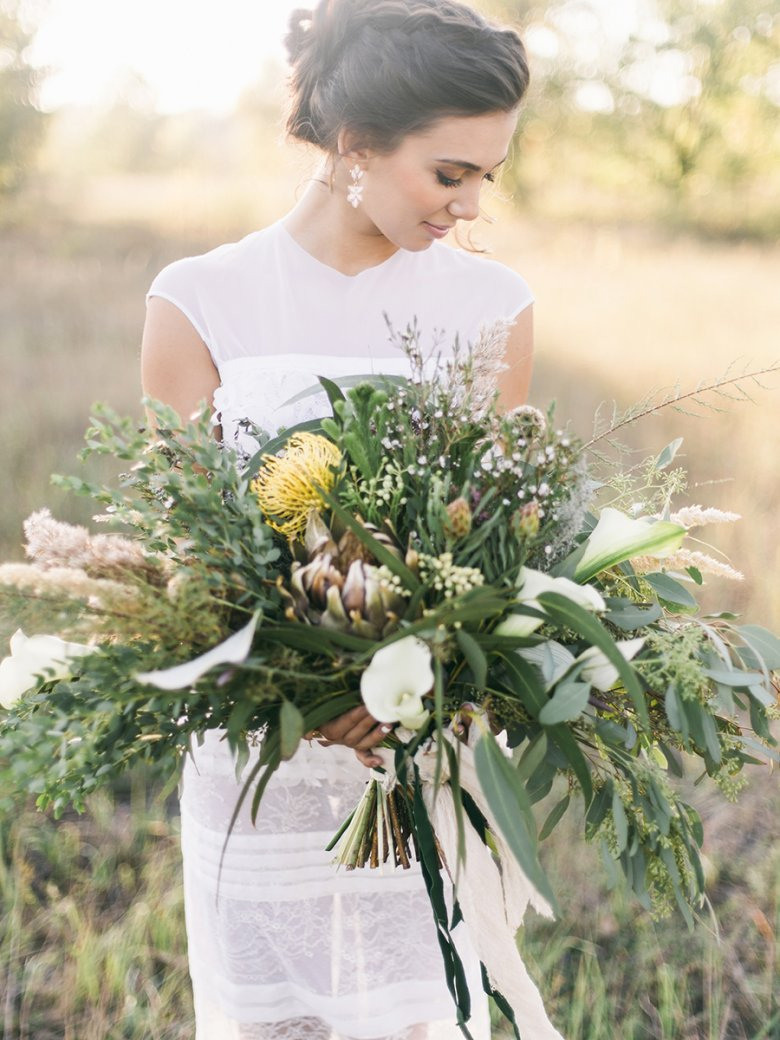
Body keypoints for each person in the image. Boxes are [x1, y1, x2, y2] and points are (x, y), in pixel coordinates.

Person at [140, 1, 538, 1037]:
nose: (471, 206)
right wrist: (306, 696)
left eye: (487, 176)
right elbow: (186, 557)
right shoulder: (199, 300)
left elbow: (490, 539)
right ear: (354, 146)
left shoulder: (492, 307)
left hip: (415, 751)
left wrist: (419, 681)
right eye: (451, 173)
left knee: (422, 1013)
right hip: (257, 755)